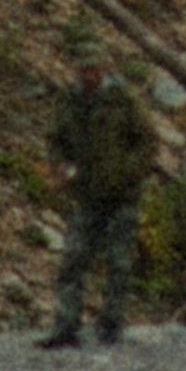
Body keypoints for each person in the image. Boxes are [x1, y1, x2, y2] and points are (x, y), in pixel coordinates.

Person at [46, 32, 147, 351]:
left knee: (118, 265)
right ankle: (65, 326)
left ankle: (111, 325)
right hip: (86, 195)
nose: (89, 74)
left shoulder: (125, 100)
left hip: (121, 197)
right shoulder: (68, 100)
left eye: (95, 68)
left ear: (106, 68)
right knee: (73, 260)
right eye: (83, 69)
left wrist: (127, 174)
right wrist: (61, 165)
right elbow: (55, 139)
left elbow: (147, 142)